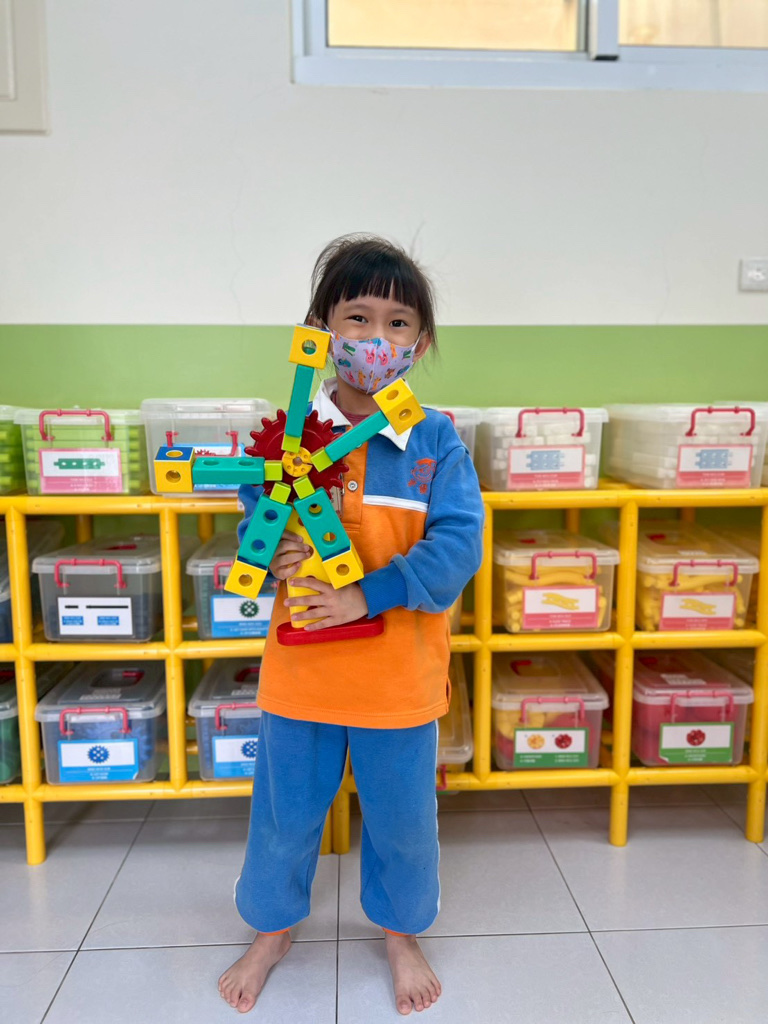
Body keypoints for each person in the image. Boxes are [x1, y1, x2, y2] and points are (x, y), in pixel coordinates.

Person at [218, 234, 485, 1015]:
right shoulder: (287, 439)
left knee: (403, 823)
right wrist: (279, 547)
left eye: (398, 323)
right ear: (321, 331)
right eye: (358, 317)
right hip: (302, 677)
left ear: (420, 344)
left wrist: (366, 595)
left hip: (397, 680)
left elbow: (458, 546)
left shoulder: (434, 439)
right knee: (283, 817)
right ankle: (272, 929)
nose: (376, 338)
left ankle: (401, 933)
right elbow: (255, 534)